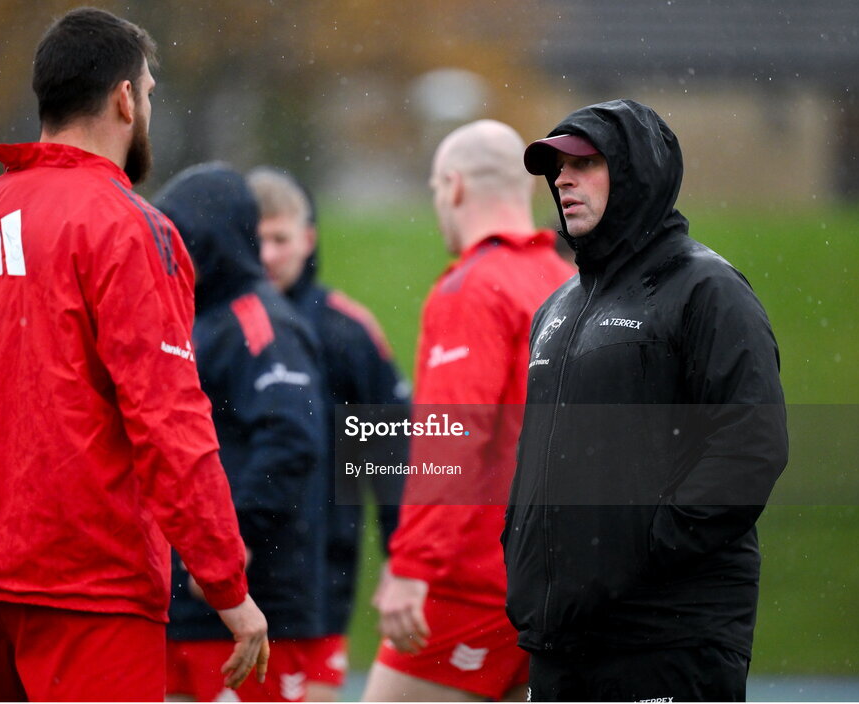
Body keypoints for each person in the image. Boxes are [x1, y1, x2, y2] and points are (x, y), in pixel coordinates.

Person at [0, 8, 269, 701]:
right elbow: (171, 423)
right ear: (125, 97)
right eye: (147, 93)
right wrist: (227, 585)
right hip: (91, 589)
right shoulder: (129, 229)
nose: (145, 106)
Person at [504, 98, 788, 701]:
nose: (562, 180)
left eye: (584, 163)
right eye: (555, 167)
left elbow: (751, 444)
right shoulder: (558, 308)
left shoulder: (707, 289)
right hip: (562, 646)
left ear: (636, 172)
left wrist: (648, 546)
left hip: (667, 641)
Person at [361, 120, 576, 701]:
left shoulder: (474, 288)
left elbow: (449, 441)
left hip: (470, 585)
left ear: (453, 187)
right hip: (555, 584)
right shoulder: (570, 283)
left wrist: (411, 568)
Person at [155, 163, 327, 703]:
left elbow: (292, 438)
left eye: (178, 238)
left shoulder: (257, 321)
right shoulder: (203, 318)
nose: (168, 254)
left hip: (249, 602)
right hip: (192, 600)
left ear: (210, 239)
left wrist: (238, 540)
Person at [247, 167, 410, 701]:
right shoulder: (210, 325)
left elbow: (392, 457)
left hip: (317, 580)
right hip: (218, 585)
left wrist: (401, 560)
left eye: (280, 238)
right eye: (257, 239)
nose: (268, 255)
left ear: (308, 238)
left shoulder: (347, 331)